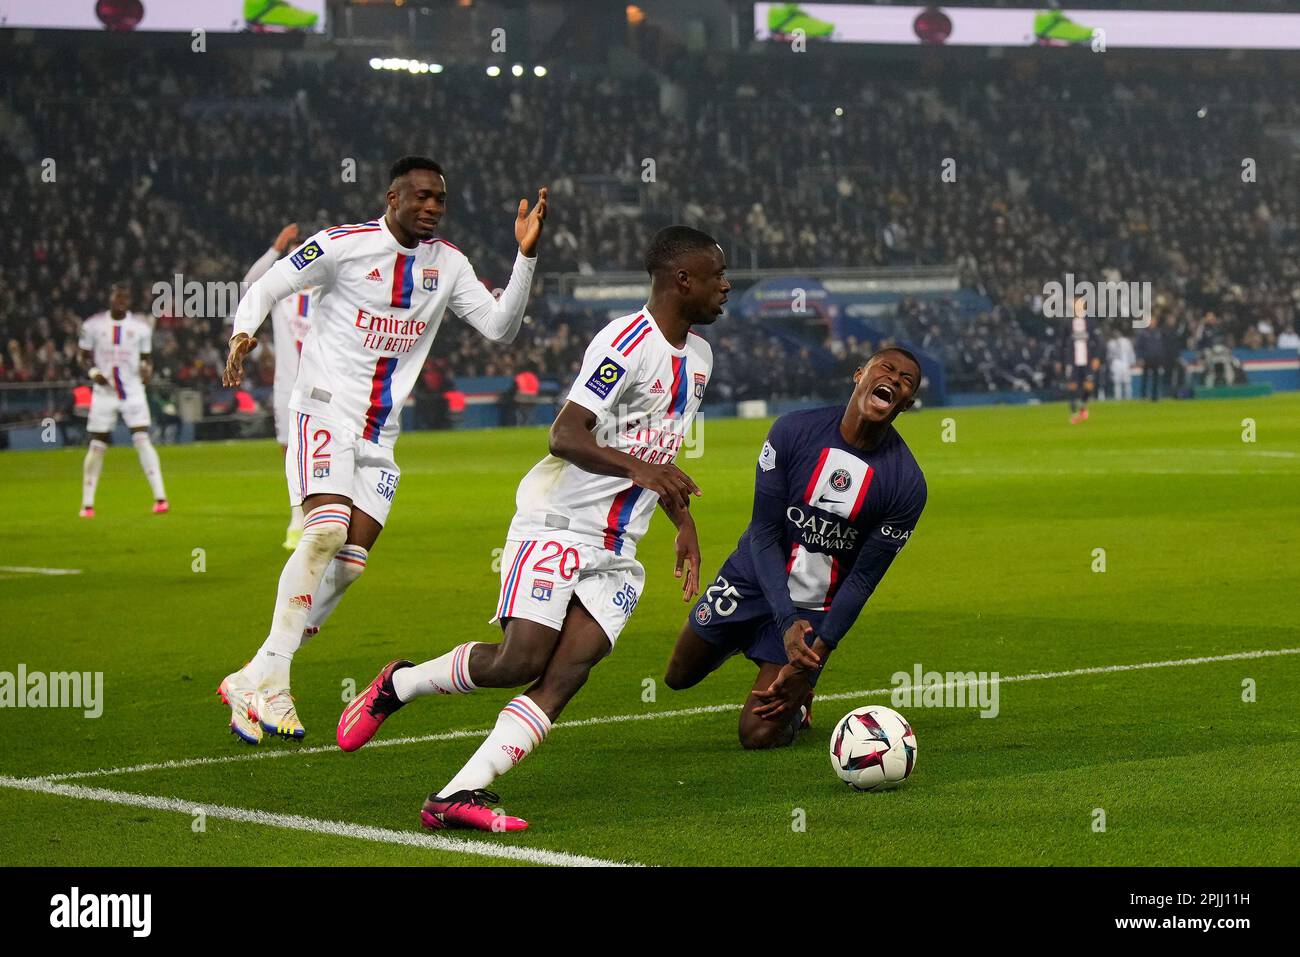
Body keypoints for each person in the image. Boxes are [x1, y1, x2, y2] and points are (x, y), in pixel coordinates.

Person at [337, 226, 729, 832]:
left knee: (570, 670)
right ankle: (401, 683)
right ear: (683, 280)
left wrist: (683, 519)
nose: (726, 286)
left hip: (620, 547)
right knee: (517, 662)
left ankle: (457, 793)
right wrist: (643, 471)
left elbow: (658, 451)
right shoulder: (625, 342)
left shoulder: (700, 358)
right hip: (558, 524)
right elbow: (564, 435)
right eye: (717, 275)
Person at [216, 155, 547, 745]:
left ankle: (254, 673)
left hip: (379, 433)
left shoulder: (449, 264)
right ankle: (277, 678)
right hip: (323, 408)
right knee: (324, 532)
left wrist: (525, 257)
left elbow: (501, 327)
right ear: (392, 198)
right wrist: (244, 330)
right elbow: (268, 284)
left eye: (439, 199)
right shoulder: (342, 246)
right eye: (421, 196)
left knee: (348, 565)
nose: (432, 207)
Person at [661, 347, 927, 749]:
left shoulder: (906, 484)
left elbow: (862, 581)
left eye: (907, 381)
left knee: (758, 735)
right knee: (678, 676)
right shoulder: (792, 431)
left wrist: (815, 657)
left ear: (906, 403)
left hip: (812, 609)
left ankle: (799, 703)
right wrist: (783, 619)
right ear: (859, 375)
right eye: (886, 368)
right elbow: (764, 532)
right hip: (751, 580)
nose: (895, 379)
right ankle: (746, 638)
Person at [241, 222, 316, 549]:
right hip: (286, 386)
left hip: (323, 384)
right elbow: (249, 285)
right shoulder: (280, 292)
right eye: (292, 253)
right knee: (290, 452)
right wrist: (275, 248)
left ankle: (325, 515)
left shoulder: (328, 290)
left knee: (324, 451)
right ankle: (297, 517)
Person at [77, 281, 169, 517]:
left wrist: (147, 370)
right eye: (117, 297)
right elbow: (83, 356)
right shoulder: (92, 325)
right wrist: (93, 373)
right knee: (97, 445)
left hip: (133, 390)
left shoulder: (140, 328)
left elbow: (146, 358)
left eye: (125, 298)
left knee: (142, 439)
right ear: (110, 298)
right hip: (104, 393)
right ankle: (87, 504)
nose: (121, 301)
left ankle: (161, 498)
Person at [1106, 327, 1136, 401]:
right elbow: (1109, 355)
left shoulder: (1126, 341)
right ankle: (1118, 398)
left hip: (1125, 362)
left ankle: (1128, 398)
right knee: (1117, 382)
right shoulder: (1110, 343)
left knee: (1127, 382)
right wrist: (1110, 364)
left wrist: (1132, 362)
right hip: (1116, 362)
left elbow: (1131, 352)